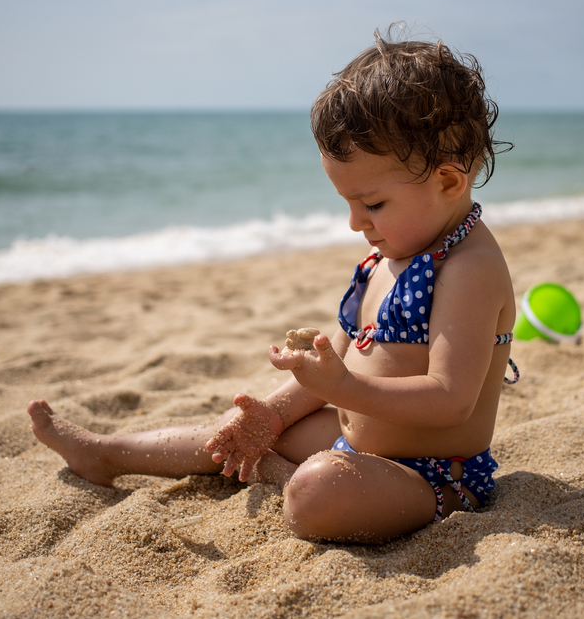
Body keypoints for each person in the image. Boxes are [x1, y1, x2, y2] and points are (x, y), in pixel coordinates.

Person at [28, 29, 517, 543]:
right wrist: (276, 411)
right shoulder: (390, 255)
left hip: (432, 477)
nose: (355, 222)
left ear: (446, 182)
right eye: (347, 202)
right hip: (350, 441)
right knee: (234, 432)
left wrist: (345, 389)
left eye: (372, 204)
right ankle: (105, 452)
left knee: (317, 493)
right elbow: (350, 352)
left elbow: (449, 400)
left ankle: (274, 475)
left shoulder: (469, 268)